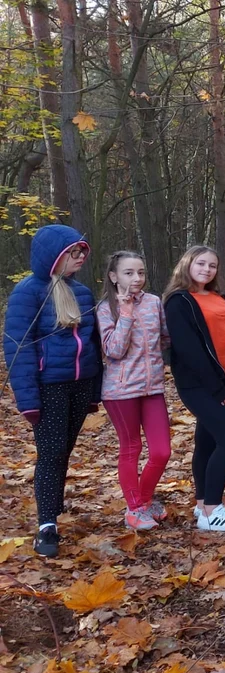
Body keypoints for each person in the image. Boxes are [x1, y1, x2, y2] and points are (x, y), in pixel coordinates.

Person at [3, 225, 103, 557]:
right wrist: (27, 400)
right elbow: (18, 349)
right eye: (72, 253)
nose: (79, 259)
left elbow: (93, 345)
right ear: (53, 256)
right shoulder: (28, 292)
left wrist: (94, 391)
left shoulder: (83, 292)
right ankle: (47, 524)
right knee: (51, 452)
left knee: (65, 450)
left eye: (81, 253)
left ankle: (54, 506)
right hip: (49, 387)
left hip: (81, 383)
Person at [163, 246, 225, 532]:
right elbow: (189, 350)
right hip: (197, 384)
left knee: (208, 440)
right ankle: (213, 508)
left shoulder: (220, 298)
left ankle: (201, 506)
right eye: (200, 263)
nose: (206, 270)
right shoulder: (178, 302)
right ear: (187, 264)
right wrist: (216, 389)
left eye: (212, 265)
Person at [97, 251, 171, 531]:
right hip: (120, 391)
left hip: (153, 388)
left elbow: (165, 339)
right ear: (114, 277)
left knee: (162, 451)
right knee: (131, 447)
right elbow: (113, 350)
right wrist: (125, 313)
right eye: (129, 273)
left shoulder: (153, 302)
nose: (137, 278)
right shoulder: (106, 308)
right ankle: (134, 509)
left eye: (140, 272)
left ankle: (144, 499)